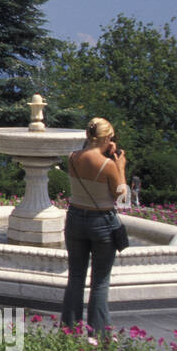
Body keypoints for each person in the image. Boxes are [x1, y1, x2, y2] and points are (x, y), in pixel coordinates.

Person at [62, 117, 128, 334]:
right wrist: (120, 166)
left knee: (76, 277)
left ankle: (68, 331)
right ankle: (97, 335)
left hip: (75, 218)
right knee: (99, 282)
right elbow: (121, 197)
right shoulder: (108, 165)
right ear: (107, 138)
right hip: (102, 222)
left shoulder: (72, 158)